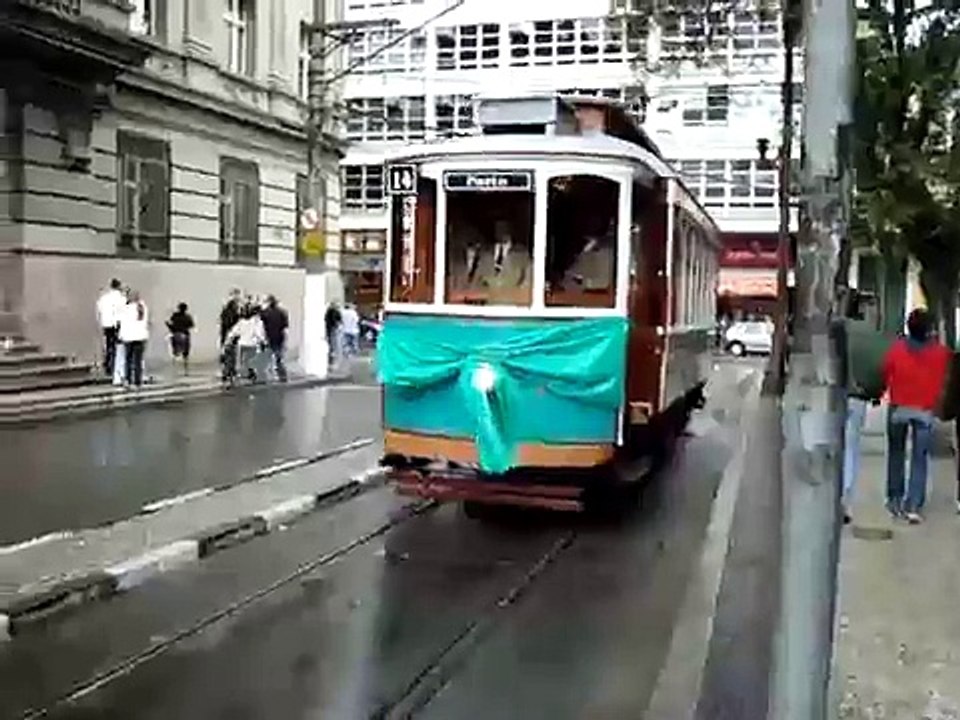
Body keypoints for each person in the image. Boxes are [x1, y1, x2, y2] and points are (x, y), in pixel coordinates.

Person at [881, 308, 951, 523]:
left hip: (899, 407)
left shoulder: (897, 349)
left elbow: (885, 371)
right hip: (924, 410)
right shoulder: (941, 353)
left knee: (896, 453)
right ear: (930, 330)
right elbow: (946, 378)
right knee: (920, 458)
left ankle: (894, 499)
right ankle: (914, 505)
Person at [226, 304, 266, 383]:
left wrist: (228, 340)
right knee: (250, 360)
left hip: (242, 344)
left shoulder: (241, 322)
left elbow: (233, 332)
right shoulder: (255, 322)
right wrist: (262, 341)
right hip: (252, 344)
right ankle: (251, 373)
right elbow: (259, 333)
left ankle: (246, 373)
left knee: (243, 361)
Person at [119, 290, 149, 388]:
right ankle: (137, 381)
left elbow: (122, 323)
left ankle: (128, 379)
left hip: (128, 337)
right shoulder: (143, 308)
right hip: (140, 337)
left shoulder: (125, 308)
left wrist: (120, 336)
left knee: (128, 360)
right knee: (138, 361)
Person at [96, 279, 125, 377]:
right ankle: (117, 367)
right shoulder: (121, 298)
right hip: (118, 324)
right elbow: (124, 311)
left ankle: (108, 366)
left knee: (109, 345)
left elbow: (99, 309)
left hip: (106, 324)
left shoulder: (104, 298)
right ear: (118, 286)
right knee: (118, 347)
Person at [260, 295, 289, 382]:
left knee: (267, 357)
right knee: (279, 357)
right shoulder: (282, 312)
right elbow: (285, 326)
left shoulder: (265, 313)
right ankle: (282, 375)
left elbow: (260, 325)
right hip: (279, 337)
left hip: (269, 337)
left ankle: (266, 375)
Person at [166, 302, 195, 374]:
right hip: (185, 335)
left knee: (175, 353)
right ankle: (186, 370)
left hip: (175, 334)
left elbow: (170, 323)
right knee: (185, 354)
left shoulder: (175, 316)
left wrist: (168, 325)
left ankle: (173, 370)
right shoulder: (187, 317)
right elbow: (192, 325)